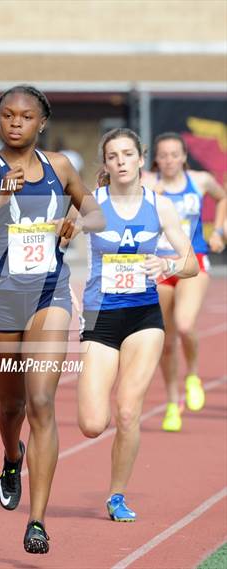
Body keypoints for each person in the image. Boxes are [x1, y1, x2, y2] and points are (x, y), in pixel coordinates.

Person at [0, 85, 104, 553]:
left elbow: (95, 212)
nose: (15, 123)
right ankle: (12, 457)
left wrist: (79, 222)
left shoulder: (61, 168)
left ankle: (37, 522)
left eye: (25, 116)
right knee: (10, 407)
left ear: (41, 122)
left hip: (50, 292)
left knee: (42, 403)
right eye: (7, 115)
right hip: (0, 299)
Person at [77, 128, 198, 522]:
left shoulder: (159, 206)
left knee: (128, 412)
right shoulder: (91, 205)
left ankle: (116, 496)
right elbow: (53, 248)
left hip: (144, 316)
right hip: (100, 316)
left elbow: (191, 263)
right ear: (106, 164)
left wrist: (167, 264)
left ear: (141, 159)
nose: (122, 161)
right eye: (113, 156)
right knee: (93, 424)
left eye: (128, 154)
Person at [142, 132, 226, 432]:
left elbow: (222, 197)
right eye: (163, 155)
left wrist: (219, 231)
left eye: (174, 154)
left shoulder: (200, 180)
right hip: (160, 267)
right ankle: (172, 401)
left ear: (183, 156)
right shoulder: (148, 185)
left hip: (193, 262)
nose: (169, 160)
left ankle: (192, 375)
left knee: (186, 324)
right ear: (156, 159)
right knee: (165, 340)